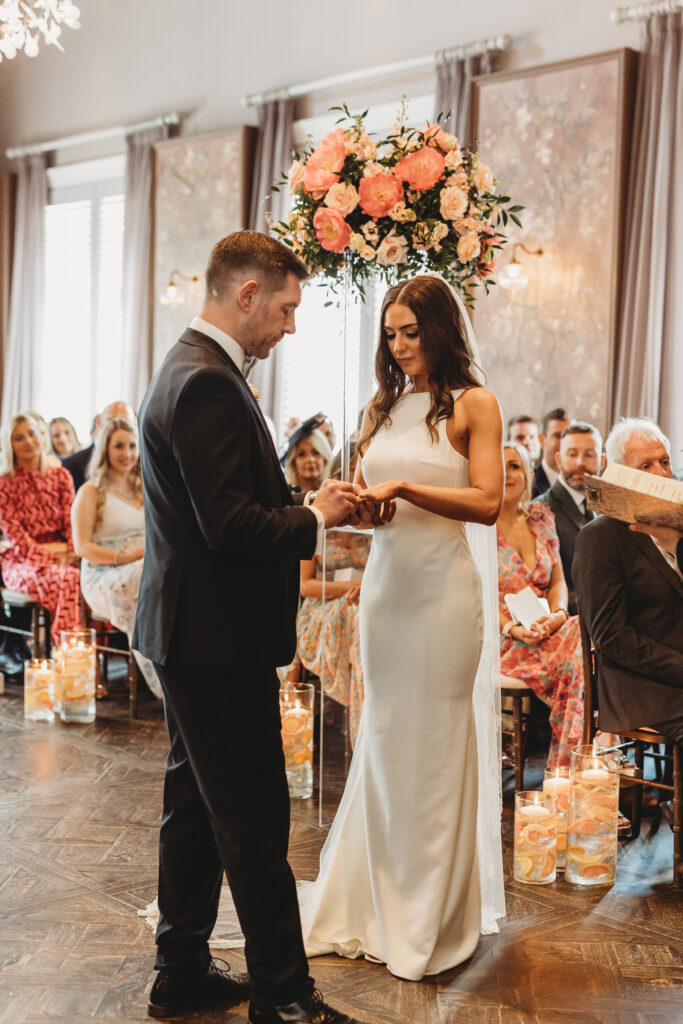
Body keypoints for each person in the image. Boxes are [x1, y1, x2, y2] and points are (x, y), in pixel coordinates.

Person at [132, 231, 380, 1024]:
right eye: (285, 307)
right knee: (254, 818)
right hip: (213, 640)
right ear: (245, 296)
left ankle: (180, 970)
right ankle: (284, 995)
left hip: (192, 632)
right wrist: (315, 516)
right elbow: (230, 525)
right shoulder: (204, 383)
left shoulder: (188, 368)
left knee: (195, 808)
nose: (289, 326)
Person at [300, 273, 506, 981]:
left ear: (441, 330)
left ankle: (431, 919)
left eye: (411, 332)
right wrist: (364, 507)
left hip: (442, 594)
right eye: (389, 333)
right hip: (387, 589)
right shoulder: (379, 407)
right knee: (384, 737)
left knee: (437, 741)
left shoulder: (474, 405)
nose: (398, 346)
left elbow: (485, 502)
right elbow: (374, 502)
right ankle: (374, 901)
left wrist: (404, 489)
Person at [573, 417, 683, 747]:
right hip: (643, 685)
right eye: (646, 466)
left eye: (664, 462)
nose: (662, 474)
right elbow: (611, 636)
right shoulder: (601, 536)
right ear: (620, 475)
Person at [497, 443, 584, 766]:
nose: (507, 473)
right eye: (499, 466)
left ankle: (570, 767)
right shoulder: (478, 527)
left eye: (515, 465)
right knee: (585, 657)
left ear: (529, 473)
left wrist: (559, 615)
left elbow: (558, 580)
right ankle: (578, 765)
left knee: (581, 637)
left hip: (550, 629)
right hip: (504, 637)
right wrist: (513, 626)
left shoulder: (541, 517)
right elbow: (474, 595)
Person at [71, 418, 162, 700]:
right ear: (105, 449)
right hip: (103, 572)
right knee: (145, 575)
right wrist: (125, 557)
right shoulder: (91, 492)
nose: (127, 453)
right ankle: (164, 681)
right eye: (119, 446)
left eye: (133, 446)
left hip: (148, 566)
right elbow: (81, 547)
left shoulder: (145, 487)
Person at [0, 413, 81, 645]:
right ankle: (70, 650)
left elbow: (71, 523)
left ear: (41, 436)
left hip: (65, 557)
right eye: (19, 438)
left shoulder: (60, 476)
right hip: (20, 562)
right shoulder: (4, 484)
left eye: (32, 433)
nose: (28, 441)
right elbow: (18, 541)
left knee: (76, 577)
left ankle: (71, 651)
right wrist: (54, 557)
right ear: (9, 444)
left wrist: (72, 553)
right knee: (70, 580)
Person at [536, 421, 604, 613]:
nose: (580, 462)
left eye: (589, 455)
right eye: (572, 454)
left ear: (602, 460)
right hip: (571, 616)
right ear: (558, 459)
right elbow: (545, 585)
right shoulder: (540, 509)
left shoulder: (608, 507)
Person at [62, 401, 136, 492]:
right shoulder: (73, 464)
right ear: (99, 422)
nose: (119, 428)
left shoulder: (141, 470)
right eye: (113, 421)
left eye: (126, 422)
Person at [282, 415, 332, 494]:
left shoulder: (334, 493)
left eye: (316, 452)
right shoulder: (284, 495)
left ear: (325, 458)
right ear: (293, 462)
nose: (310, 459)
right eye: (301, 454)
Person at [531, 407, 572, 498]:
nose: (564, 442)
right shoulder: (529, 483)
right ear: (542, 440)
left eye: (569, 436)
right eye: (558, 436)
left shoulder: (584, 486)